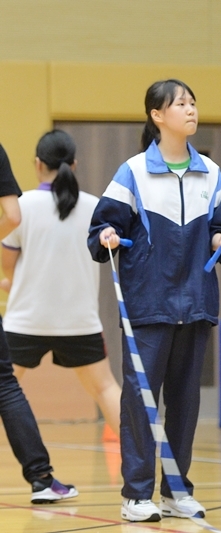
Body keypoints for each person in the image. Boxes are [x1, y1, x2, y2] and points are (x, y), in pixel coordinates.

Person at [88, 79, 221, 523]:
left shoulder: (212, 174)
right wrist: (108, 235)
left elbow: (220, 229)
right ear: (157, 115)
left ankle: (176, 491)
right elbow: (100, 231)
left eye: (193, 102)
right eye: (181, 104)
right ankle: (136, 494)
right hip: (146, 305)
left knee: (185, 402)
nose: (191, 110)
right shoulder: (132, 172)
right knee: (140, 402)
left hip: (195, 302)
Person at [1, 130, 121, 438]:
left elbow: (7, 265)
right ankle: (142, 463)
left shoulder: (21, 206)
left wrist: (15, 284)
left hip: (26, 320)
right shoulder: (96, 207)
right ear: (75, 164)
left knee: (4, 390)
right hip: (79, 323)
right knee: (106, 388)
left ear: (38, 164)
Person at [0, 143, 78, 504]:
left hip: (36, 316)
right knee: (4, 385)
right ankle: (41, 478)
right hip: (75, 317)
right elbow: (10, 216)